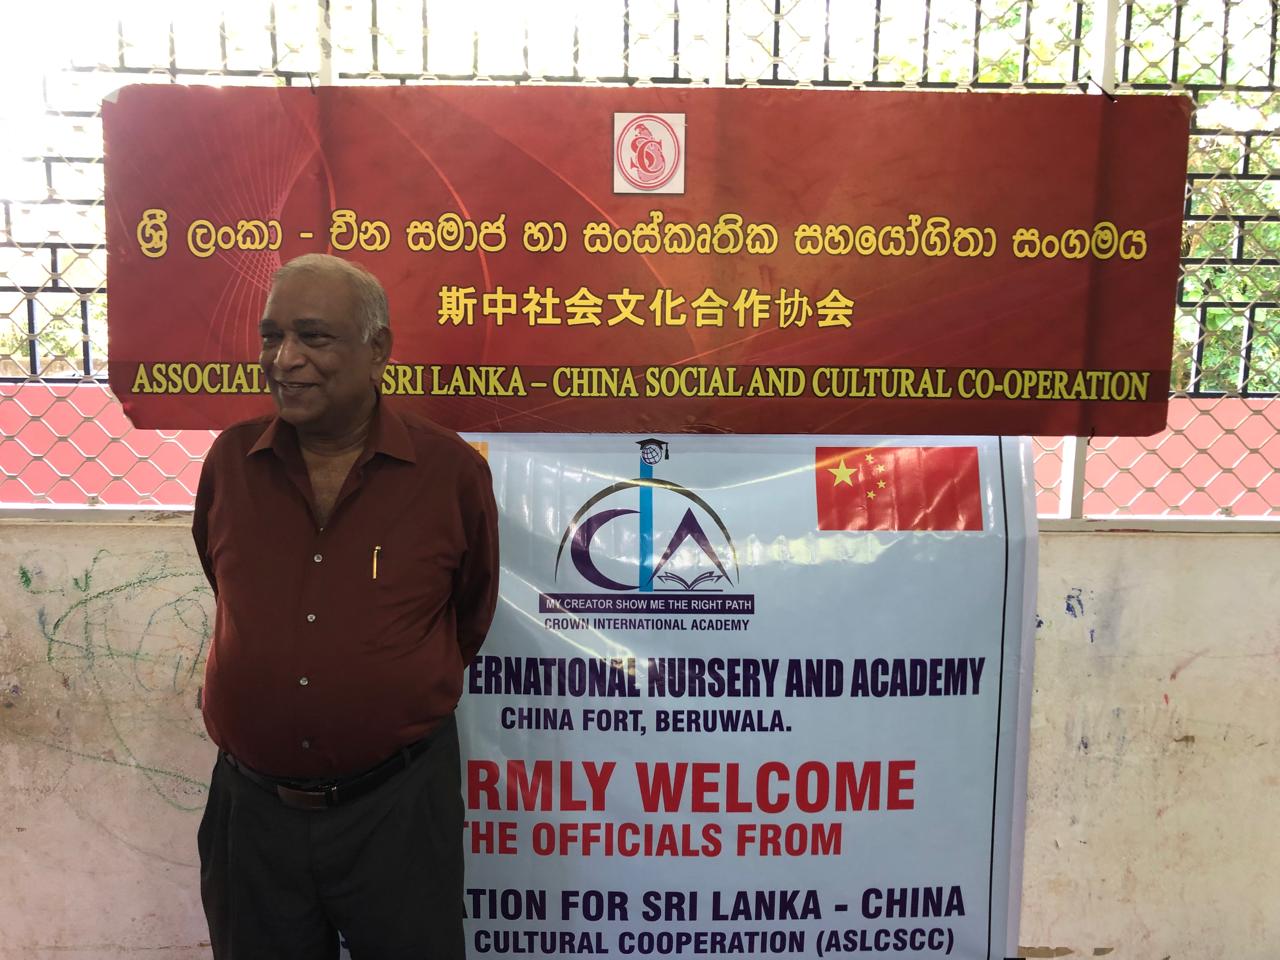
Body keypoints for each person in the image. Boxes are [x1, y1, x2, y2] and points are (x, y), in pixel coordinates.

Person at [192, 253, 499, 959]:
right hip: (253, 818)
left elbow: (468, 614)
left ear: (378, 349)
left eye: (313, 336)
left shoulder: (449, 473)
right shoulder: (231, 465)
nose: (284, 359)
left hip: (398, 811)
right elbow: (224, 583)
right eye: (272, 336)